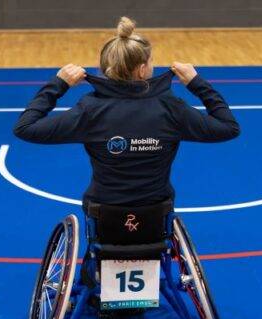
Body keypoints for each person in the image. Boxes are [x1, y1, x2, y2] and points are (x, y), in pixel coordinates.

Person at [13, 16, 240, 209]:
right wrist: (196, 83)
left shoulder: (90, 110)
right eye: (151, 61)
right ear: (142, 70)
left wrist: (58, 84)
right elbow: (228, 127)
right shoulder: (171, 108)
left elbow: (25, 127)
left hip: (103, 212)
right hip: (156, 211)